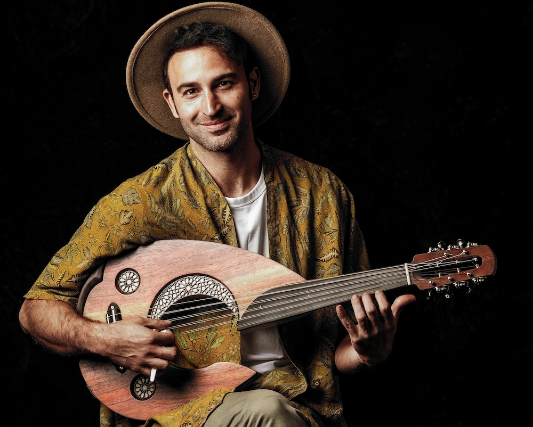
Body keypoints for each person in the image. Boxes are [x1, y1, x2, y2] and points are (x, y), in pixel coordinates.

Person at [19, 3, 415, 427]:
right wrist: (106, 339)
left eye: (223, 84)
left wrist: (366, 352)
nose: (210, 107)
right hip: (181, 411)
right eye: (190, 91)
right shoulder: (141, 201)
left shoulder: (322, 195)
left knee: (276, 411)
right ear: (172, 103)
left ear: (252, 83)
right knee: (270, 413)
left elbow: (333, 354)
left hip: (298, 404)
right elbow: (35, 310)